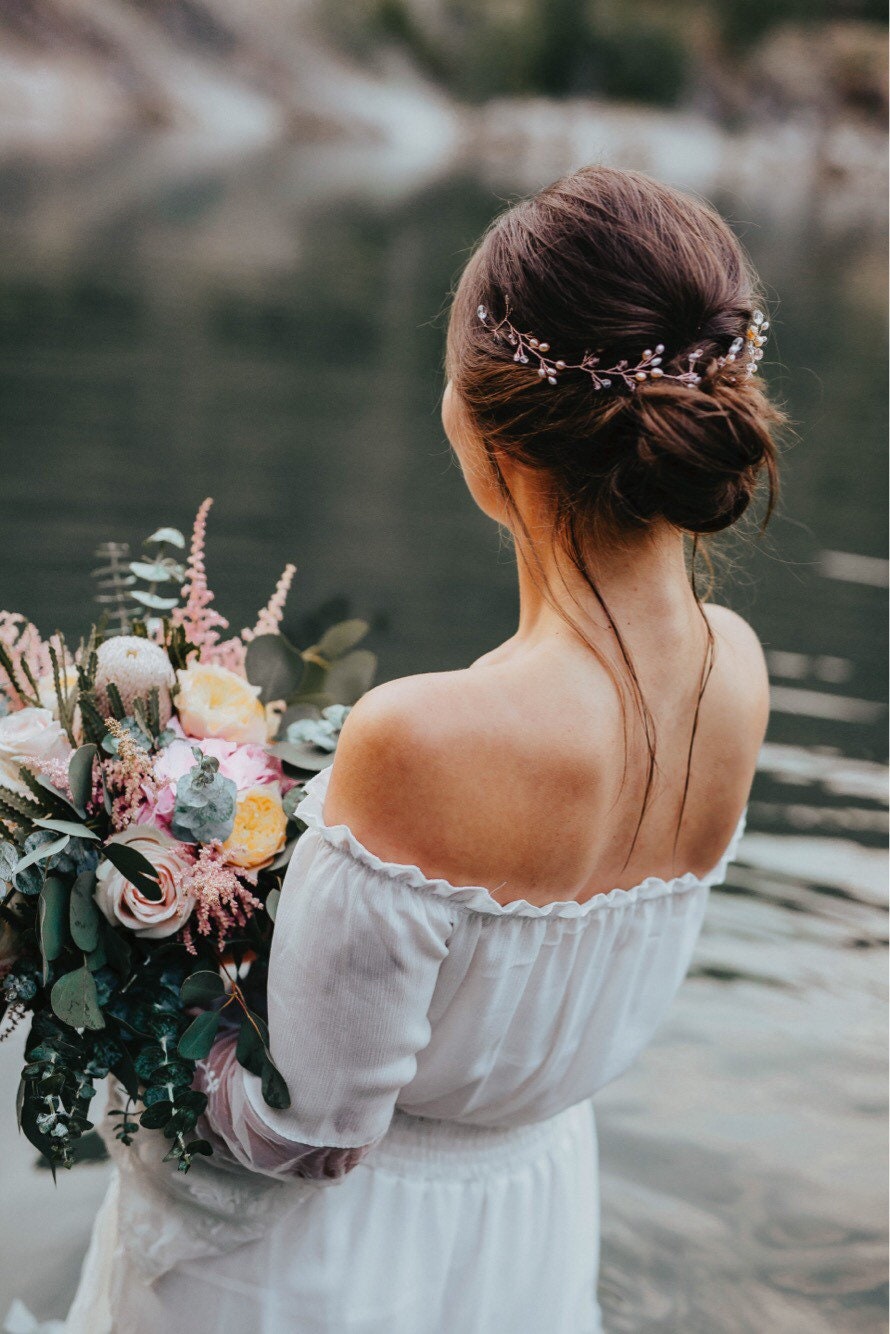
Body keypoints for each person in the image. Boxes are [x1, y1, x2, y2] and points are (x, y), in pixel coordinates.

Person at [58, 166, 780, 1333]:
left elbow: (308, 1129)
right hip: (528, 1213)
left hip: (337, 1266)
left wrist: (118, 1009)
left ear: (478, 420)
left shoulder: (421, 734)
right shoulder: (735, 670)